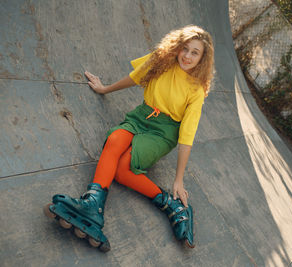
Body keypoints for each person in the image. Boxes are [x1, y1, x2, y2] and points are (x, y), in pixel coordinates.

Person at [43, 25, 215, 252]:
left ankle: (170, 204)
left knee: (123, 169)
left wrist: (179, 179)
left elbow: (187, 135)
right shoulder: (161, 60)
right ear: (177, 46)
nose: (187, 56)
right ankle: (93, 204)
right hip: (142, 115)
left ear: (202, 59)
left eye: (195, 52)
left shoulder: (196, 90)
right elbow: (135, 77)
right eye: (185, 49)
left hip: (164, 132)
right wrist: (104, 89)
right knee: (114, 139)